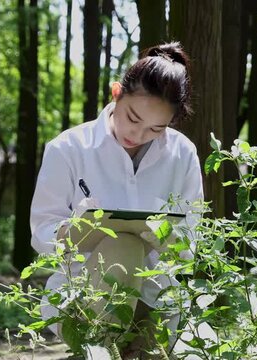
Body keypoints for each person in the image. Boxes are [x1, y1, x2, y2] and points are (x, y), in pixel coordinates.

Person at [29, 42, 203, 355]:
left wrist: (167, 239)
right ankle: (101, 346)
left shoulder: (182, 154)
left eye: (156, 128)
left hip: (156, 298)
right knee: (122, 243)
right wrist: (70, 232)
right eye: (132, 118)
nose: (137, 135)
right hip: (82, 297)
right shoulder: (68, 148)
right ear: (116, 93)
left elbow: (192, 240)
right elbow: (41, 231)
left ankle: (115, 349)